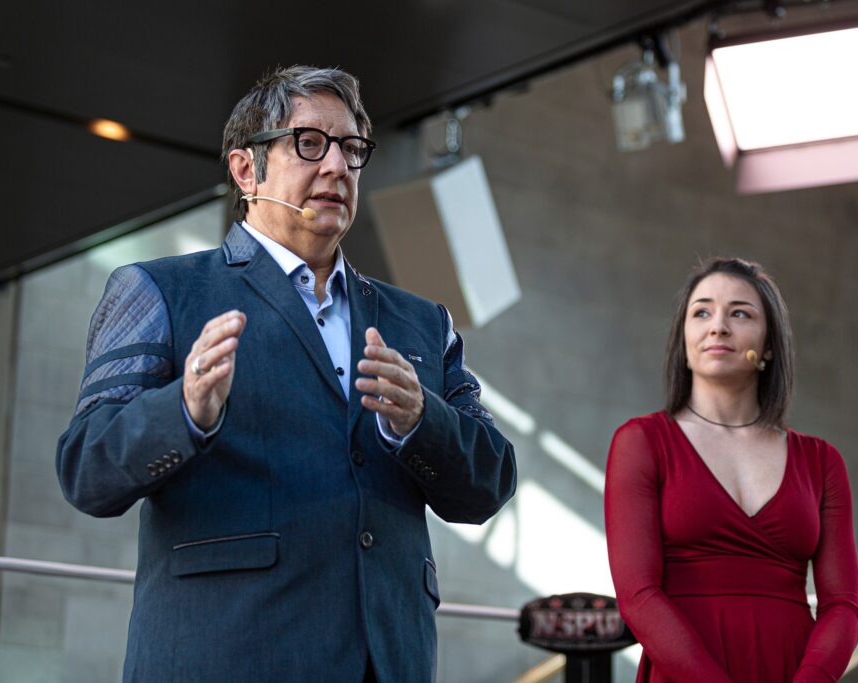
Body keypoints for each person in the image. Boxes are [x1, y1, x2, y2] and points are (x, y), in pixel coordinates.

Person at [56, 66, 517, 683]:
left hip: (389, 658)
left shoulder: (422, 323)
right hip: (228, 654)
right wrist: (185, 411)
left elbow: (491, 481)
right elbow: (86, 468)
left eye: (352, 149)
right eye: (308, 143)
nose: (336, 167)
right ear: (247, 170)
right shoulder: (158, 290)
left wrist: (419, 422)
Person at [604, 257, 858, 682]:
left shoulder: (822, 461)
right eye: (701, 312)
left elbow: (842, 605)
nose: (718, 326)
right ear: (683, 340)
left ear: (770, 345)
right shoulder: (641, 442)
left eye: (739, 313)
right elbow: (638, 596)